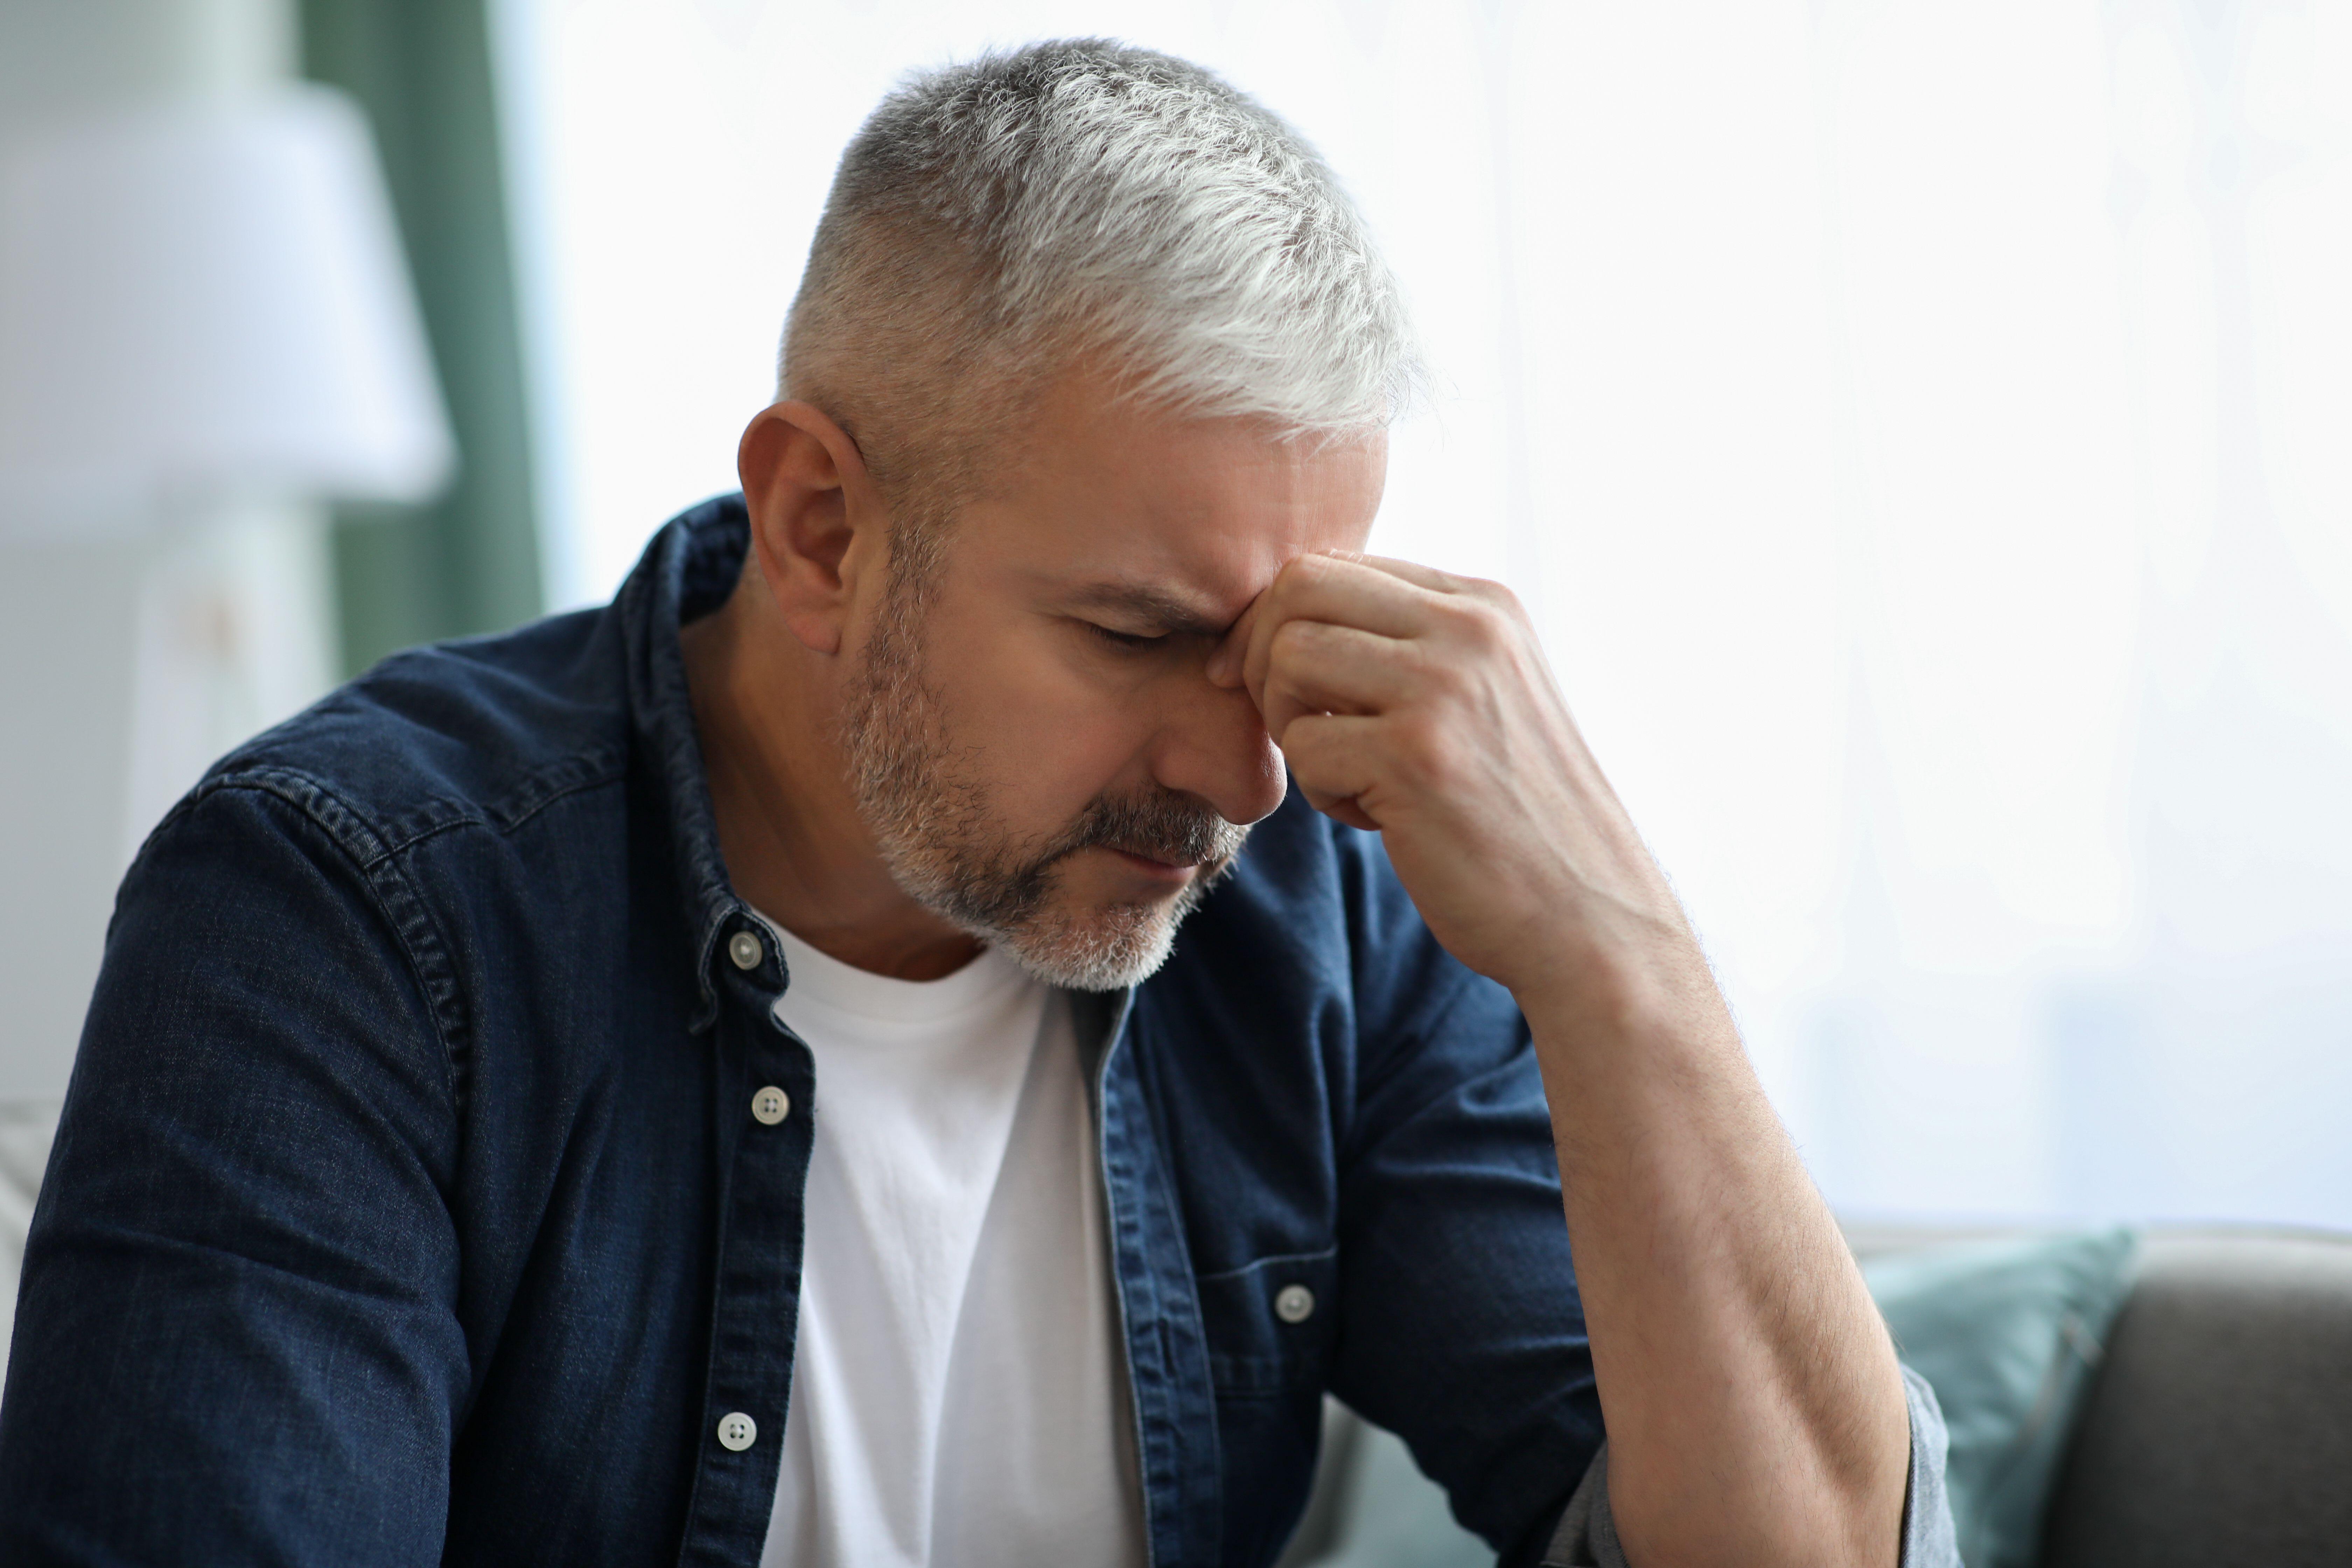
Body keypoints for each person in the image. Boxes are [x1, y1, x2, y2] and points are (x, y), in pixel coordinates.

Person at [0, 39, 1955, 1568]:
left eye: (1279, 647)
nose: (1241, 775)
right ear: (824, 525)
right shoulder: (349, 914)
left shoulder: (1319, 915)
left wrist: (1611, 945)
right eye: (1134, 632)